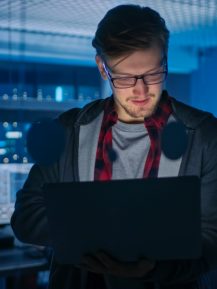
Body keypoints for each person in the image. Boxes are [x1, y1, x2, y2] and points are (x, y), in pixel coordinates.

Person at [11, 4, 217, 289]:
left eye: (154, 74)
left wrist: (155, 267)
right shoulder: (67, 132)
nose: (142, 91)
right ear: (102, 68)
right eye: (124, 78)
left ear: (166, 61)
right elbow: (26, 217)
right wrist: (108, 235)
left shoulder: (205, 135)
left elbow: (212, 236)